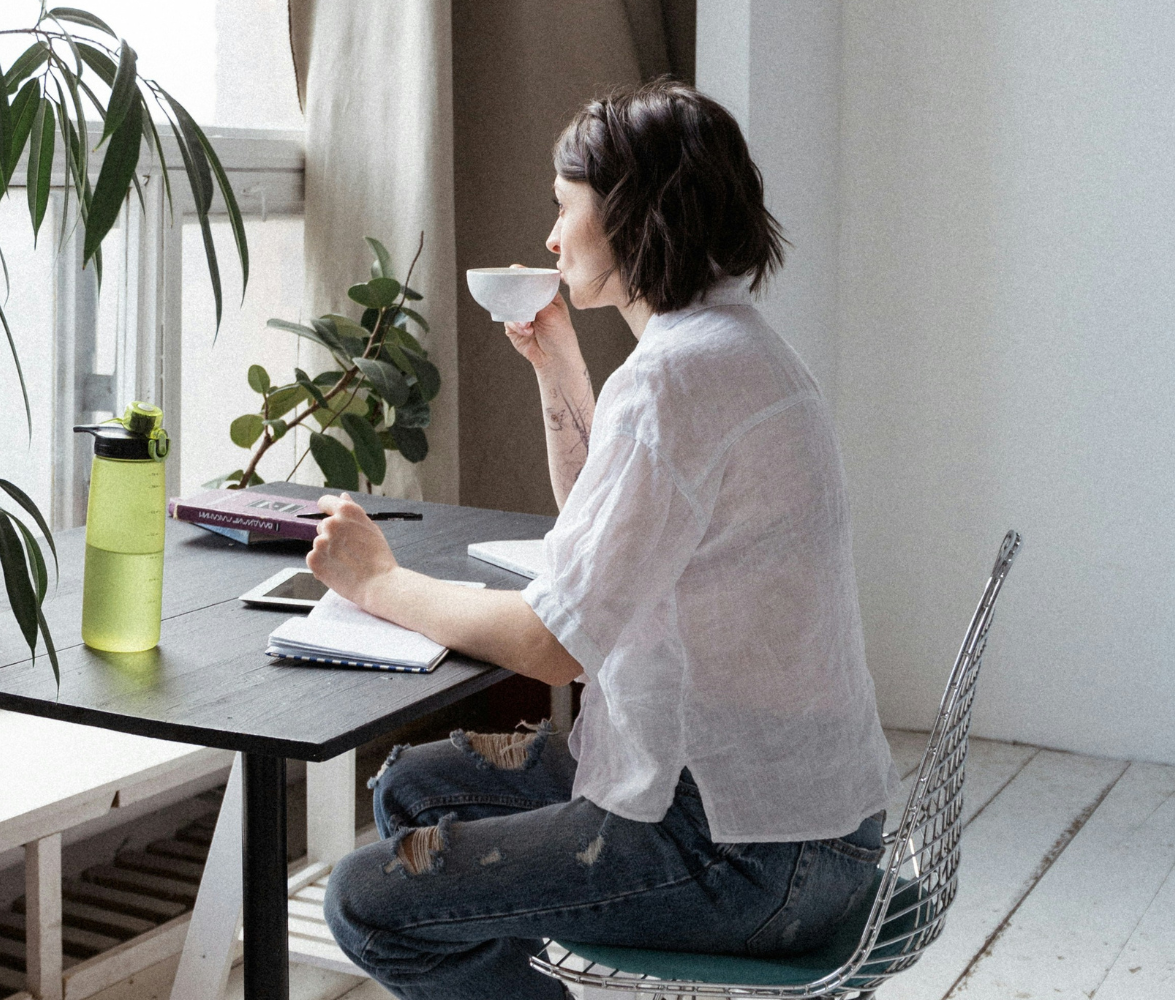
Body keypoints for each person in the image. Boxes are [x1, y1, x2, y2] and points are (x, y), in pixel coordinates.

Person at [307, 78, 899, 1000]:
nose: (550, 237)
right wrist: (559, 366)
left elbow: (551, 645)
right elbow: (599, 537)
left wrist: (375, 581)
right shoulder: (735, 348)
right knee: (414, 787)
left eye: (563, 205)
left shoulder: (676, 379)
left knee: (366, 897)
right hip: (799, 818)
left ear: (629, 212)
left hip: (742, 854)